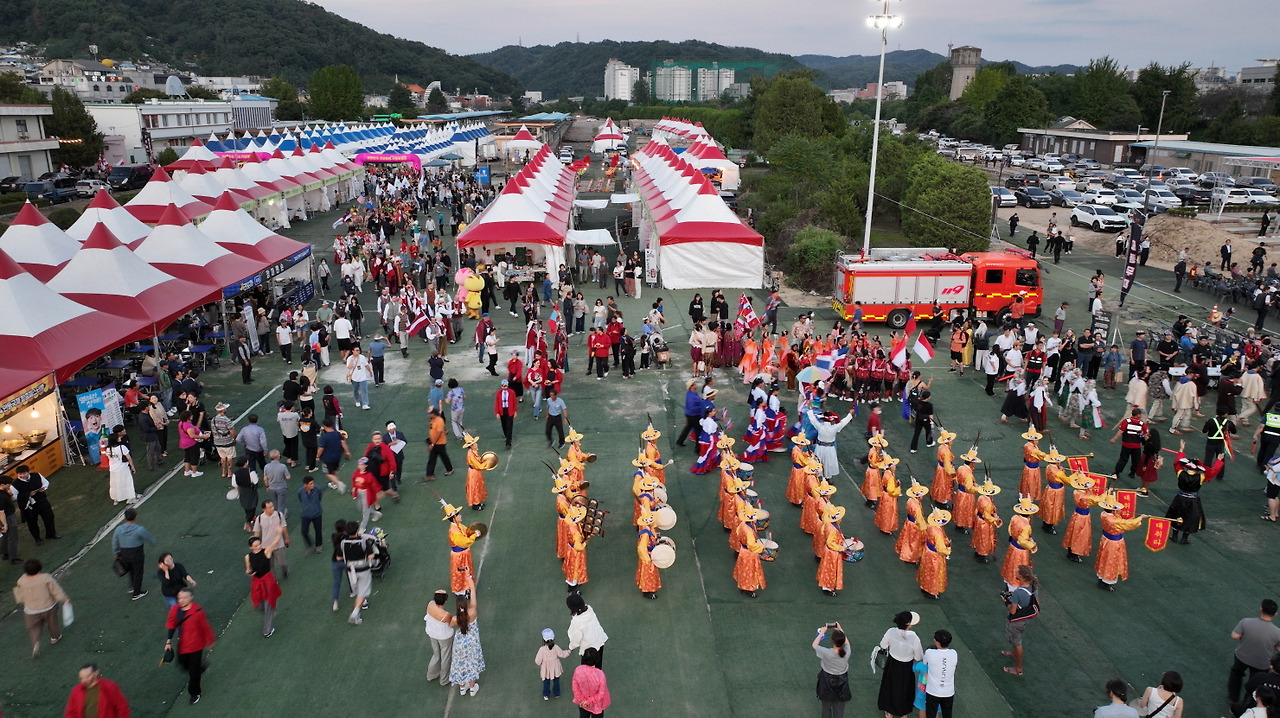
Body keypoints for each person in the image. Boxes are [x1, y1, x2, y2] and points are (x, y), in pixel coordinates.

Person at [165, 588, 215, 705]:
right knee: (182, 664)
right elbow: (172, 625)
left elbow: (205, 627)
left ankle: (195, 692)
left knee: (193, 672)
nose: (181, 600)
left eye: (184, 598)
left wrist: (210, 641)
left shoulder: (198, 612)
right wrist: (168, 642)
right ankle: (201, 668)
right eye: (179, 598)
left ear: (191, 598)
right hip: (183, 644)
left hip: (196, 646)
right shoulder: (175, 610)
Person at [13, 558, 68, 658]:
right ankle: (55, 637)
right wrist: (64, 599)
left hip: (30, 609)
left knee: (34, 627)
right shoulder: (45, 578)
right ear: (39, 568)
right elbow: (55, 590)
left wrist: (22, 600)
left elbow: (19, 592)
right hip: (48, 606)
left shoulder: (21, 580)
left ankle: (35, 643)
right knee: (52, 623)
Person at [1230, 599, 1280, 705]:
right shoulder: (1277, 632)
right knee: (1257, 682)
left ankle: (1233, 697)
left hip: (1242, 656)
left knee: (1236, 674)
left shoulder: (1246, 621)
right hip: (1262, 663)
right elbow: (1278, 648)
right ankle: (1248, 702)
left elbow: (1235, 635)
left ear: (1261, 608)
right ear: (1275, 613)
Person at [450, 575, 485, 696]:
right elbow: (473, 593)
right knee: (471, 663)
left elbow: (450, 625)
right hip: (472, 642)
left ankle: (462, 687)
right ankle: (472, 687)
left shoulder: (455, 619)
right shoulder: (472, 612)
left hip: (460, 643)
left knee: (460, 663)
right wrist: (468, 577)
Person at [1001, 565, 1039, 677]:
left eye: (1017, 572)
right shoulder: (1033, 587)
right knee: (1015, 641)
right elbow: (1036, 602)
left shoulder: (1018, 593)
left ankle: (1018, 669)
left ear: (1021, 576)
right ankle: (1013, 653)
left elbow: (1012, 611)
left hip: (1016, 621)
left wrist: (1006, 601)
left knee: (1017, 642)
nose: (1015, 573)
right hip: (1024, 619)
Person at [112, 507, 155, 600]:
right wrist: (153, 542)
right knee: (138, 572)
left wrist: (115, 552)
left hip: (124, 553)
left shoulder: (118, 529)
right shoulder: (139, 529)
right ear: (135, 517)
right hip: (136, 553)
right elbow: (149, 539)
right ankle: (136, 593)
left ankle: (132, 586)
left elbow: (115, 542)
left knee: (131, 570)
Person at [245, 535, 282, 638]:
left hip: (268, 581)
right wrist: (249, 573)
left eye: (259, 544)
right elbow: (248, 569)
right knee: (257, 605)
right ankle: (269, 612)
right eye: (255, 546)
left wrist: (279, 532)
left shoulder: (266, 552)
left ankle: (267, 630)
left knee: (268, 602)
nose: (258, 547)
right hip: (256, 582)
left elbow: (275, 542)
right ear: (251, 547)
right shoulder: (248, 557)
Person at [813, 622, 852, 718]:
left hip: (826, 681)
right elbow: (847, 643)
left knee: (826, 707)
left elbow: (814, 645)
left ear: (833, 641)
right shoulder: (847, 652)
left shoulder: (826, 652)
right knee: (839, 707)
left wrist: (822, 632)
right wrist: (840, 629)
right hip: (842, 682)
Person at [12, 464, 58, 543]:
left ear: (28, 472)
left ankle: (51, 534)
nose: (22, 475)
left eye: (24, 473)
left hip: (42, 500)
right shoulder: (15, 484)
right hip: (29, 506)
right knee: (32, 522)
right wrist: (27, 494)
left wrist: (43, 488)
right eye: (20, 474)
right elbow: (15, 496)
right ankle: (37, 539)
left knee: (49, 517)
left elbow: (45, 483)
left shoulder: (37, 475)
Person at [340, 521, 375, 625]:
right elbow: (371, 556)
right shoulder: (363, 542)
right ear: (357, 530)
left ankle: (363, 603)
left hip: (351, 571)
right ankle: (355, 613)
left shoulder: (343, 542)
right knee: (362, 592)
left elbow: (340, 556)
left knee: (358, 590)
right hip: (363, 570)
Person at [64, 663, 130, 717]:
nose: (84, 680)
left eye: (88, 676)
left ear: (96, 672)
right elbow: (70, 711)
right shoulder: (76, 690)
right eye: (81, 678)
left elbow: (122, 707)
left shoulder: (109, 687)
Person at [567, 591, 609, 666]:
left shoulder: (577, 622)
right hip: (599, 642)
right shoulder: (589, 609)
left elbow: (575, 638)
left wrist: (571, 647)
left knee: (586, 669)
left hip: (588, 649)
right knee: (598, 664)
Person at [252, 500, 290, 580]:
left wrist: (287, 538)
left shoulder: (279, 515)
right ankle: (274, 580)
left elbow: (284, 527)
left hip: (279, 544)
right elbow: (256, 534)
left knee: (282, 563)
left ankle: (285, 572)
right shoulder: (259, 519)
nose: (272, 508)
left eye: (272, 506)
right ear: (264, 509)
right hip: (266, 546)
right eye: (269, 507)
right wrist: (256, 547)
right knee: (269, 565)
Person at [923, 629, 957, 718]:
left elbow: (924, 662)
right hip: (948, 692)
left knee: (930, 715)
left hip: (933, 692)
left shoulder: (929, 652)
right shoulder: (954, 653)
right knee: (947, 715)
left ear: (937, 642)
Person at [425, 589, 455, 687]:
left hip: (432, 634)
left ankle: (431, 675)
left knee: (436, 655)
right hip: (444, 637)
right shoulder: (446, 615)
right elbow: (451, 623)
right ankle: (444, 680)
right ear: (445, 601)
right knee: (445, 657)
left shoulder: (430, 605)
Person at [573, 646, 610, 717]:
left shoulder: (578, 670)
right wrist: (589, 701)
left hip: (583, 703)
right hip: (597, 704)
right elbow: (601, 693)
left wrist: (583, 700)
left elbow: (575, 687)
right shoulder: (600, 674)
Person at [535, 627, 571, 701]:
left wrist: (541, 663)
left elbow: (537, 661)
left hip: (546, 670)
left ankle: (546, 695)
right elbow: (562, 654)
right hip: (555, 669)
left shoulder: (542, 650)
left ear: (544, 640)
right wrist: (569, 651)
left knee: (546, 683)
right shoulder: (556, 647)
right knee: (556, 681)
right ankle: (557, 693)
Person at [296, 476, 324, 554]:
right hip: (305, 515)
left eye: (313, 483)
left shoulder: (317, 489)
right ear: (305, 485)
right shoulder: (300, 491)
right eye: (310, 484)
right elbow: (301, 499)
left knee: (318, 530)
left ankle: (319, 545)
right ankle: (310, 544)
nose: (313, 485)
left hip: (317, 513)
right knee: (304, 531)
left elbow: (319, 497)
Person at [425, 407, 454, 481]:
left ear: (433, 414)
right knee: (432, 458)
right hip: (434, 443)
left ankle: (449, 469)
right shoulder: (433, 420)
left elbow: (438, 434)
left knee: (443, 456)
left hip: (440, 443)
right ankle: (430, 474)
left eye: (429, 414)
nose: (428, 415)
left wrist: (432, 444)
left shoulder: (440, 421)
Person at [346, 346, 372, 410]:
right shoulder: (349, 358)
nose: (358, 351)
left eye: (358, 350)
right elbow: (349, 367)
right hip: (354, 378)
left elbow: (366, 365)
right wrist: (352, 360)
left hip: (362, 377)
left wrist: (370, 372)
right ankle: (357, 400)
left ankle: (365, 404)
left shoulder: (362, 357)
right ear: (353, 351)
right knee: (355, 390)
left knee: (364, 391)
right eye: (356, 350)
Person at [495, 379, 518, 449]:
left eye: (505, 385)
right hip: (502, 410)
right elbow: (497, 403)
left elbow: (514, 402)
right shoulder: (499, 393)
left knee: (509, 426)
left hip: (509, 410)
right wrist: (497, 413)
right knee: (504, 425)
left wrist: (515, 411)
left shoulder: (511, 392)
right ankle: (507, 436)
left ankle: (508, 442)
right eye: (502, 385)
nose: (504, 387)